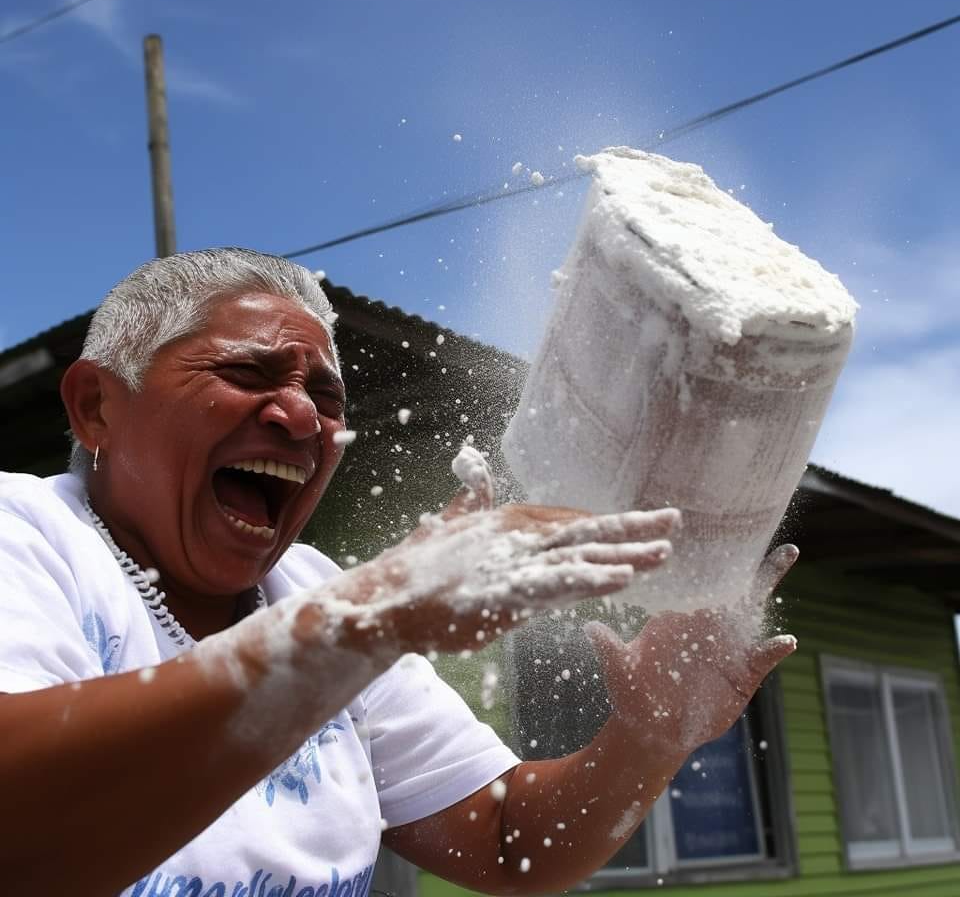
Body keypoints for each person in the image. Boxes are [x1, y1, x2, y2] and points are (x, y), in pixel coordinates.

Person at [0, 248, 797, 896]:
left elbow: (511, 842)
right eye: (247, 373)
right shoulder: (26, 534)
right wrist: (372, 615)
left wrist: (647, 738)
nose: (305, 418)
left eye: (325, 395)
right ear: (96, 406)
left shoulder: (311, 590)